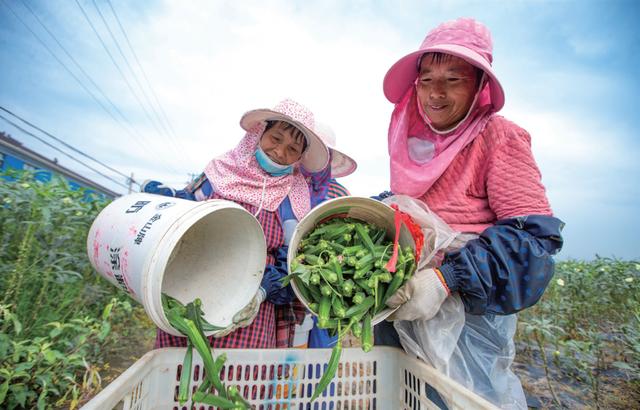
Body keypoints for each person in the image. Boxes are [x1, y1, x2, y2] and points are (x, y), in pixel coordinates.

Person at [376, 18, 565, 408]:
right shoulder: (412, 140)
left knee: (459, 400)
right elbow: (414, 212)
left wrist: (446, 279)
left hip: (463, 317)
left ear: (480, 85)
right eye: (426, 80)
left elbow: (534, 242)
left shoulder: (498, 137)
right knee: (401, 397)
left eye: (453, 79)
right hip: (400, 305)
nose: (435, 94)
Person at [144, 99, 330, 349]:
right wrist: (171, 200)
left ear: (299, 157)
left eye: (292, 149)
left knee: (240, 379)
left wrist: (262, 291)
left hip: (248, 307)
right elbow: (185, 214)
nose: (280, 152)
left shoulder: (292, 197)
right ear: (260, 132)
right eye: (276, 138)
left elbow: (293, 262)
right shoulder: (220, 172)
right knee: (180, 369)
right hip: (191, 282)